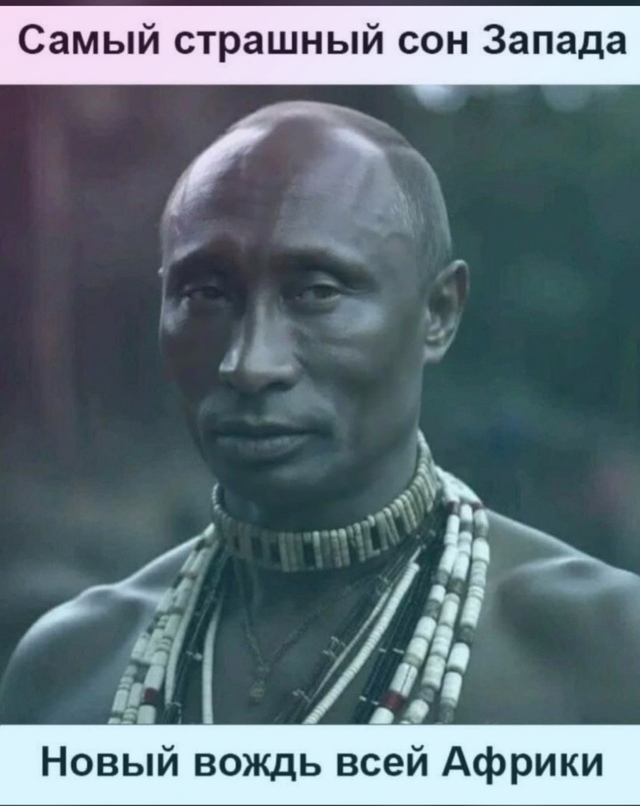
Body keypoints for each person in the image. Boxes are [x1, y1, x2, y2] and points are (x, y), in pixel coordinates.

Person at [2, 100, 640, 726]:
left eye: (316, 291)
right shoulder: (68, 672)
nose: (249, 364)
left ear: (439, 312)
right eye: (206, 293)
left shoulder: (605, 654)